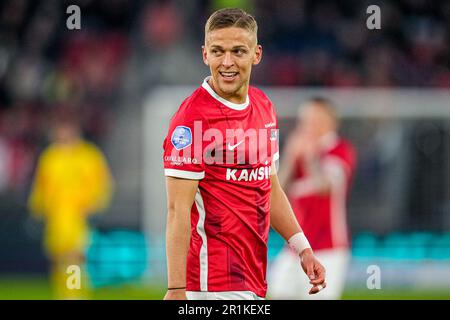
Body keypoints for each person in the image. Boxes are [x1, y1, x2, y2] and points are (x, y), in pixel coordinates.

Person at [162, 8, 326, 300]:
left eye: (238, 51)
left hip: (252, 278)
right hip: (210, 283)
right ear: (205, 55)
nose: (227, 62)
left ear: (256, 54)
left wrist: (302, 248)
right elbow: (177, 210)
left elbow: (269, 185)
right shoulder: (191, 119)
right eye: (218, 51)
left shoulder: (264, 107)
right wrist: (176, 289)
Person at [268, 97, 357, 299]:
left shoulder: (339, 149)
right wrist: (290, 158)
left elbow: (325, 187)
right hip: (295, 247)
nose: (308, 125)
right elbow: (276, 189)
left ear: (330, 122)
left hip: (328, 248)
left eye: (315, 119)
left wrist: (310, 157)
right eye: (305, 120)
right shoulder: (298, 151)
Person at [28, 117, 114, 299]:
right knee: (59, 258)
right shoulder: (50, 156)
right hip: (56, 217)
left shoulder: (89, 156)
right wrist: (37, 208)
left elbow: (102, 183)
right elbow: (41, 186)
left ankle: (74, 293)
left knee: (75, 256)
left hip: (79, 216)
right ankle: (63, 292)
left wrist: (95, 205)